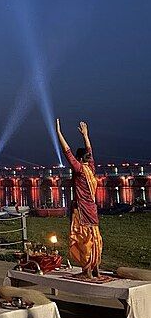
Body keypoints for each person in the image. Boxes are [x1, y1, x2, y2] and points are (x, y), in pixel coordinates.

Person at [56, 118, 102, 279]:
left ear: (79, 159)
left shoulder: (80, 169)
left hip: (81, 210)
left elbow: (67, 152)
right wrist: (85, 135)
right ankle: (95, 269)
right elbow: (90, 150)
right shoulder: (91, 168)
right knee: (94, 238)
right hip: (92, 209)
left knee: (83, 240)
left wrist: (59, 133)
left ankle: (86, 271)